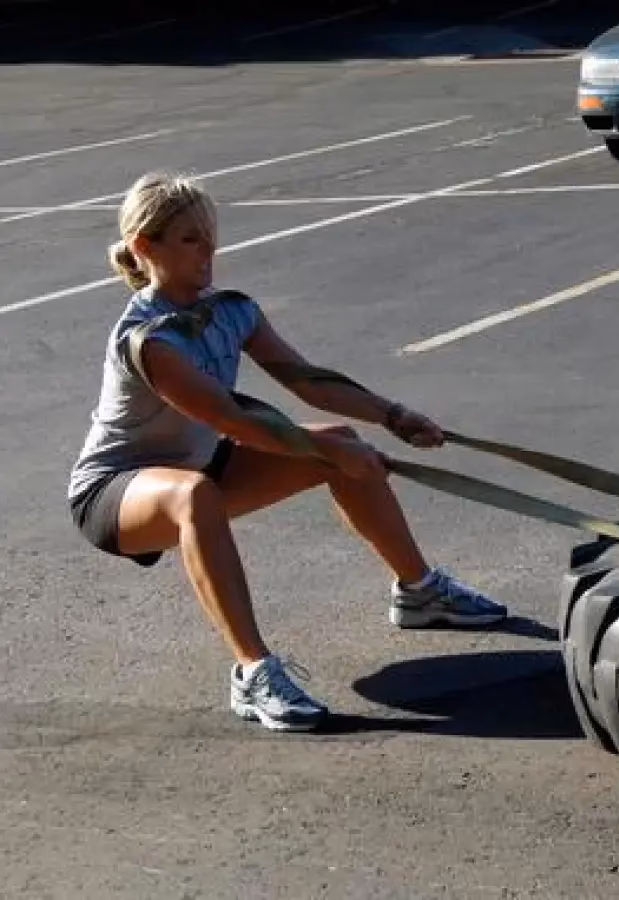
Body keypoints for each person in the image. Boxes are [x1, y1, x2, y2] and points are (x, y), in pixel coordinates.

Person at [67, 171, 507, 733]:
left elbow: (308, 382)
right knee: (196, 496)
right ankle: (253, 672)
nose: (208, 250)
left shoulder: (232, 310)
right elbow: (230, 419)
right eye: (190, 238)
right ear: (144, 247)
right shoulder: (148, 340)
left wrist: (393, 416)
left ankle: (420, 593)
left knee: (341, 441)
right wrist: (326, 450)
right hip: (116, 490)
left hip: (202, 463)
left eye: (209, 235)